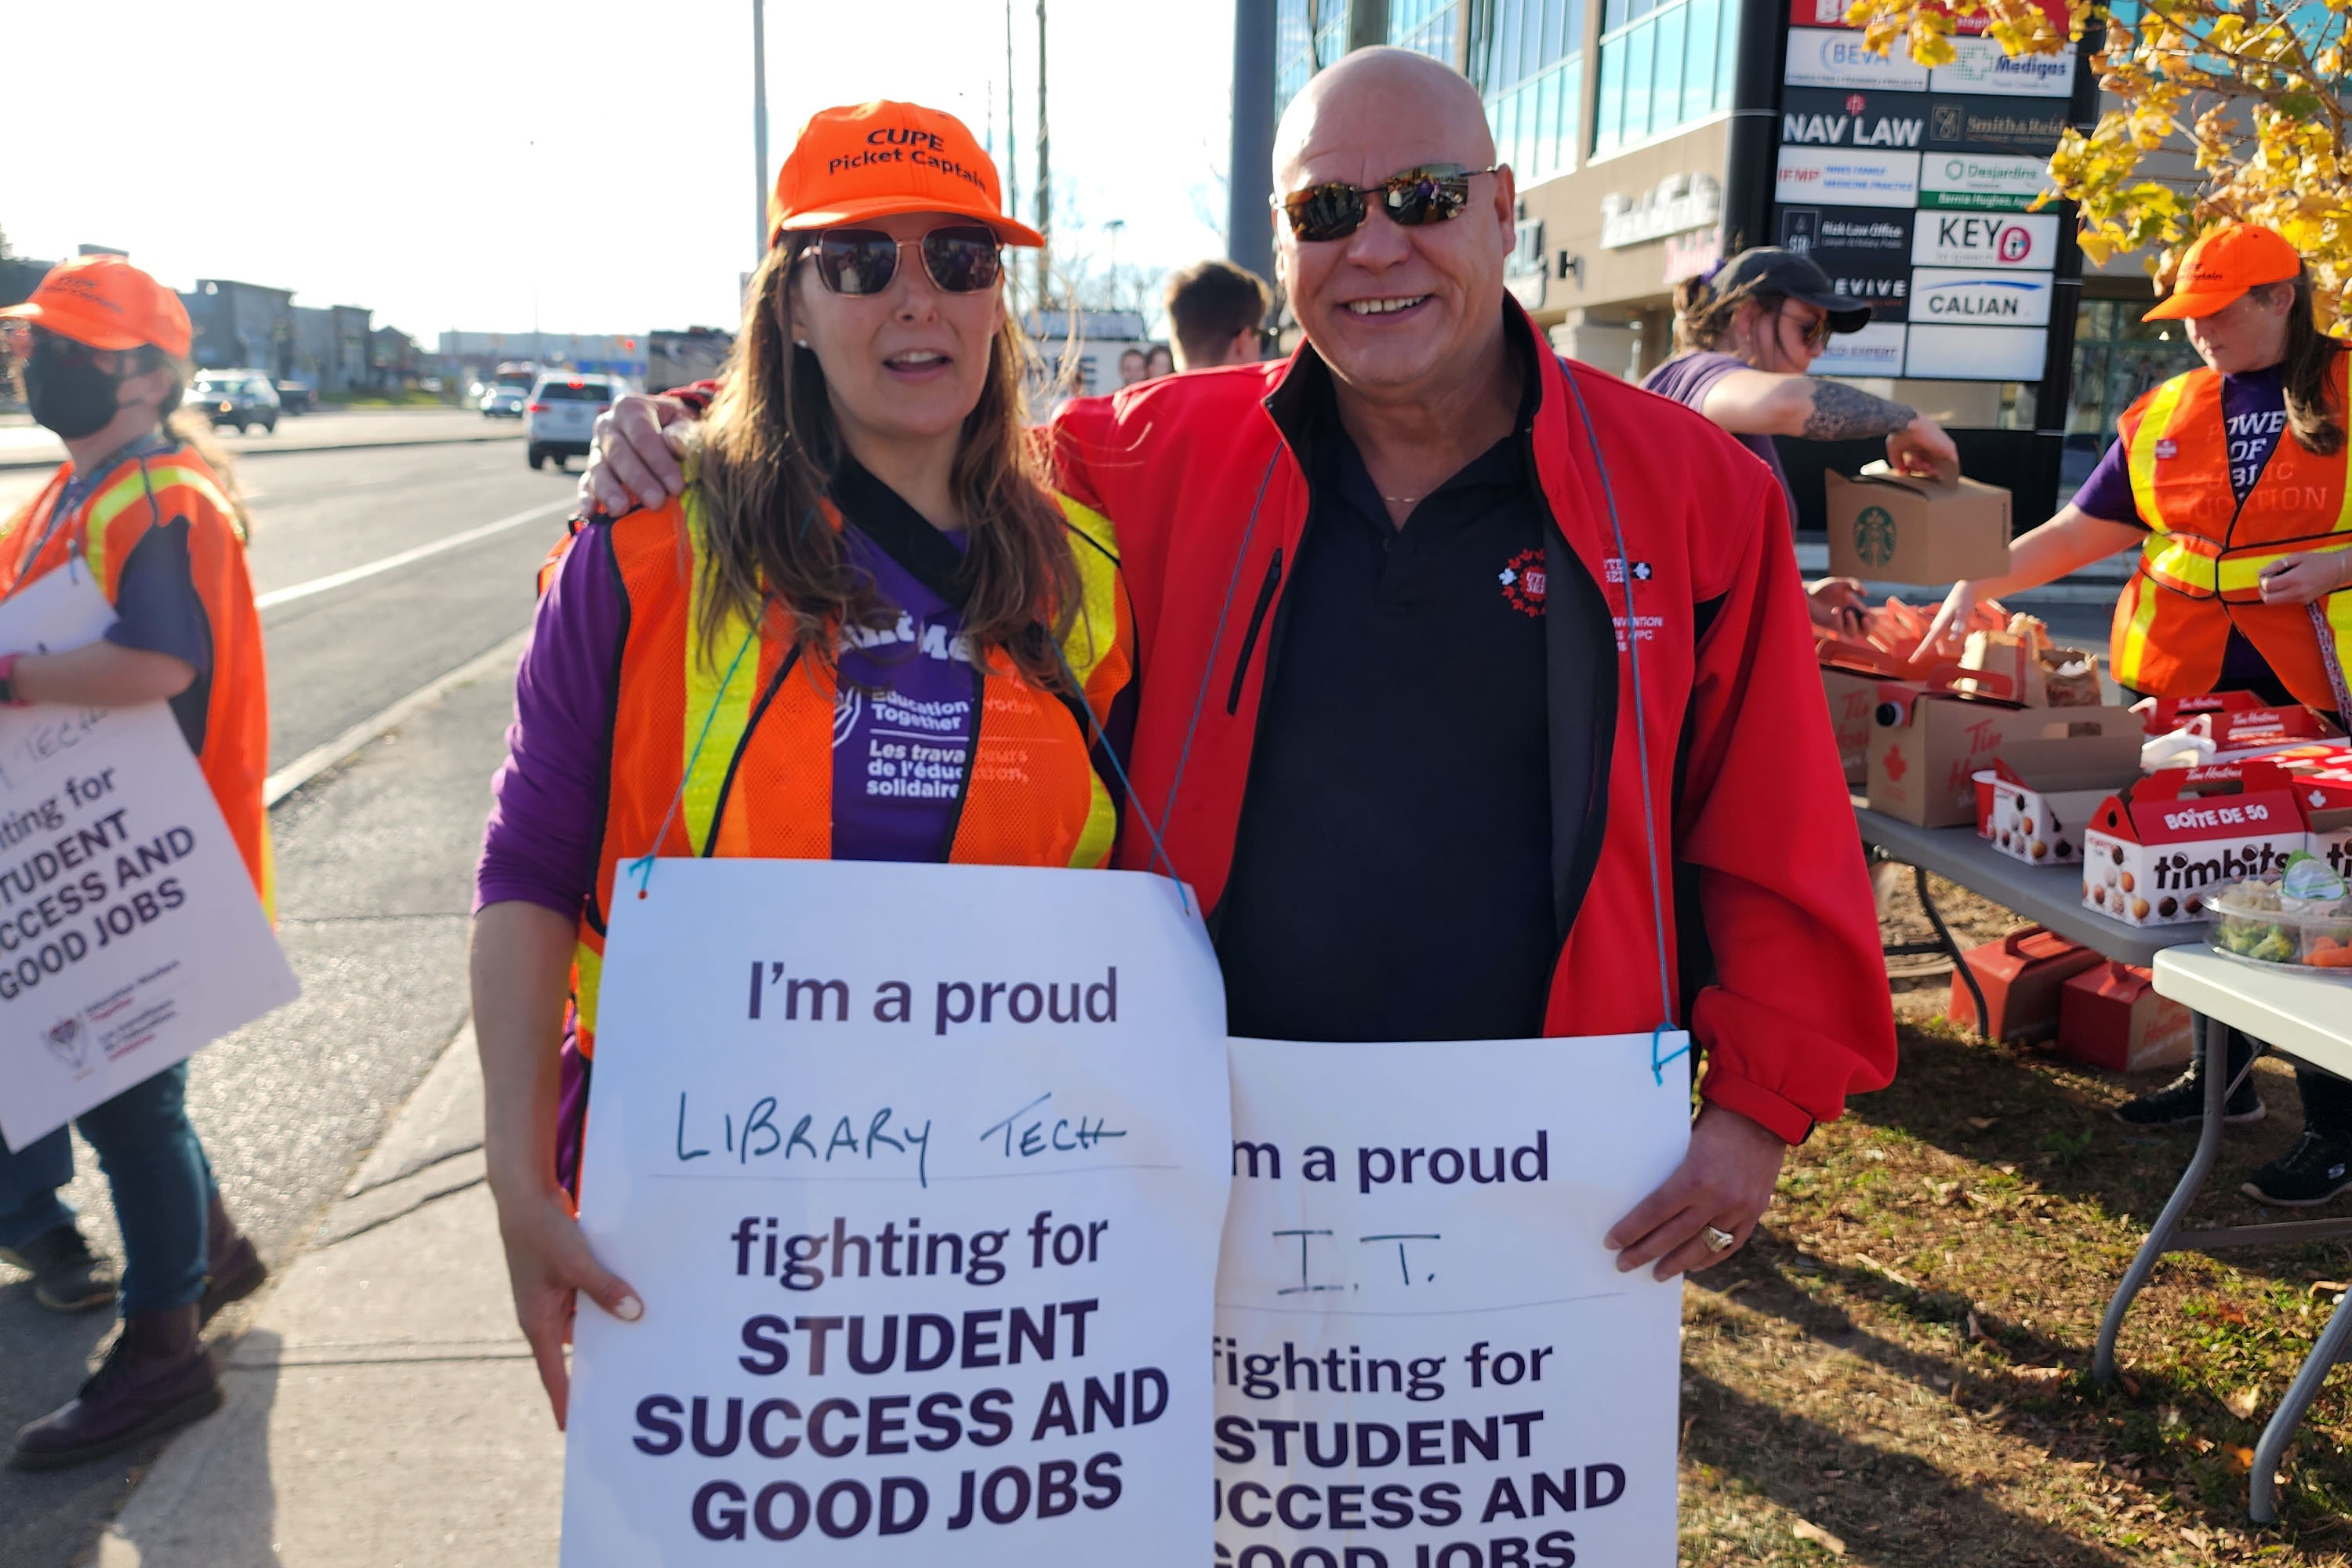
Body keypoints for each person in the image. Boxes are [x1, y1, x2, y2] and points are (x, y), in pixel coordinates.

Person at [586, 49, 1897, 1283]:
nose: (1375, 245)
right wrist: (684, 430)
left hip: (1543, 1151)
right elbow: (913, 424)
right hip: (1200, 1147)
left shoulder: (1688, 495)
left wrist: (1757, 1113)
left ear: (1502, 211)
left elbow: (1771, 814)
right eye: (1326, 211)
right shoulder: (1145, 458)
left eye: (1423, 199)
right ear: (1282, 250)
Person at [474, 100, 1134, 1428]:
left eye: (959, 259)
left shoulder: (1087, 574)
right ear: (787, 303)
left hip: (989, 1214)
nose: (916, 301)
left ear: (998, 298)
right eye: (857, 262)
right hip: (698, 1202)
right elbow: (529, 868)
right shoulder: (645, 549)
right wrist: (517, 1182)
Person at [1923, 222, 2352, 1203]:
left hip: (2313, 702)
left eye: (2218, 311)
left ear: (2281, 297)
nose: (2198, 331)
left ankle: (2335, 1122)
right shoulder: (2167, 409)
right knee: (2208, 882)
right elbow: (2086, 527)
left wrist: (2338, 565)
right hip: (2186, 698)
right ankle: (2225, 1081)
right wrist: (1976, 580)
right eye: (2187, 315)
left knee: (2307, 899)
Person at [0, 256, 271, 1469]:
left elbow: (157, 664)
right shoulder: (78, 491)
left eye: (66, 344)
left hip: (144, 865)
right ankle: (209, 1255)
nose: (34, 361)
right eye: (32, 343)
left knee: (129, 1105)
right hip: (97, 854)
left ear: (151, 373)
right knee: (121, 1093)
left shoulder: (160, 498)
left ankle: (163, 1351)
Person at [1644, 248, 1961, 633]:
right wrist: (1909, 422)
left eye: (1823, 333)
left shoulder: (1697, 381)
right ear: (1748, 318)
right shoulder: (1704, 372)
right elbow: (1787, 402)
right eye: (1809, 329)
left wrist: (1803, 597)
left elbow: (1712, 555)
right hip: (1682, 660)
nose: (1818, 349)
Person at [1165, 257, 1273, 371]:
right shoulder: (1277, 388)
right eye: (1263, 340)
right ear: (1243, 341)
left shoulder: (1147, 388)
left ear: (1175, 340)